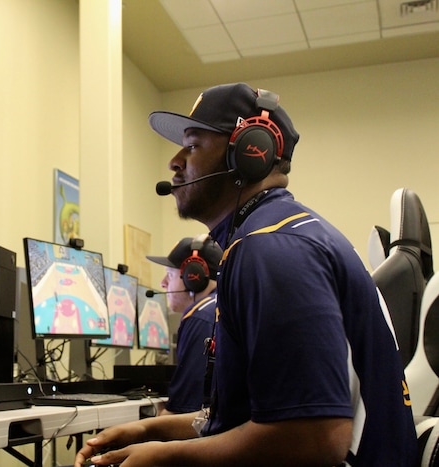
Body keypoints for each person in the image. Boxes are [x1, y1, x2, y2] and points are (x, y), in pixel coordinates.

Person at [75, 83, 417, 466]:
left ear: (250, 151)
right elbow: (248, 421)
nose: (174, 161)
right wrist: (150, 430)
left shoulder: (271, 250)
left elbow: (315, 438)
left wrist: (165, 458)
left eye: (192, 145)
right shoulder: (275, 235)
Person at [146, 234, 222, 415]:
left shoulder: (201, 316)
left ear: (193, 277)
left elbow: (183, 413)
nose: (162, 283)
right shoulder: (225, 304)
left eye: (170, 275)